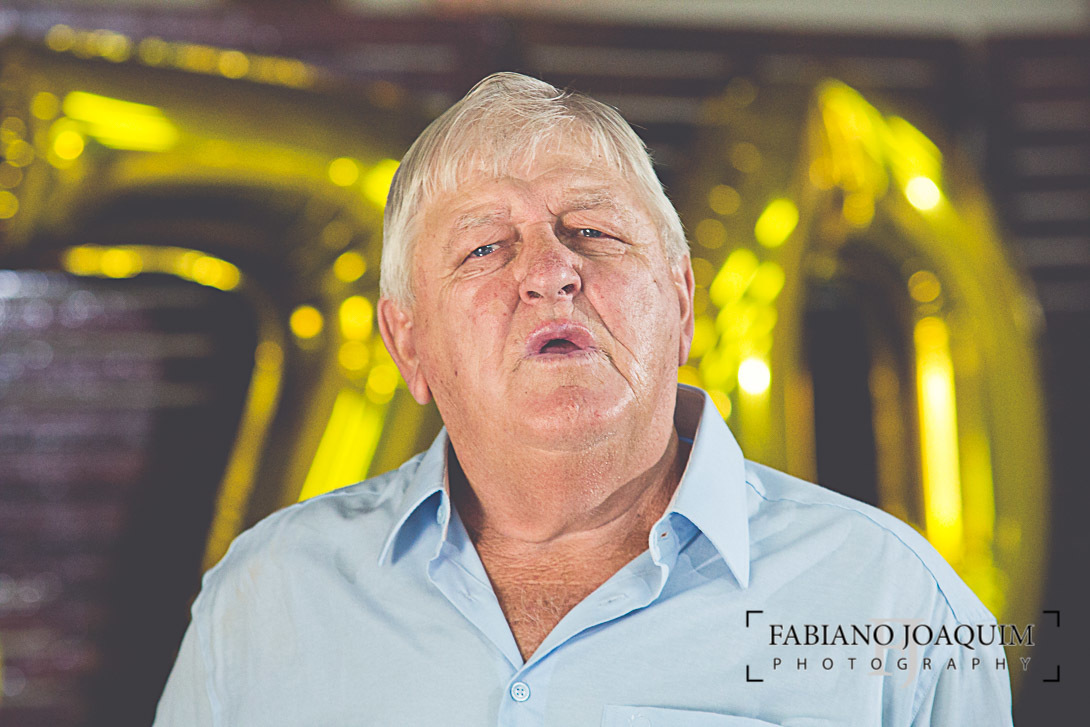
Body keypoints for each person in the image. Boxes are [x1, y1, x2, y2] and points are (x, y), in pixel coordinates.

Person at [153, 73, 1013, 726]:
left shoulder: (898, 606)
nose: (549, 271)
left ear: (682, 304)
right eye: (484, 247)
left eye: (594, 231)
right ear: (408, 344)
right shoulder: (264, 599)